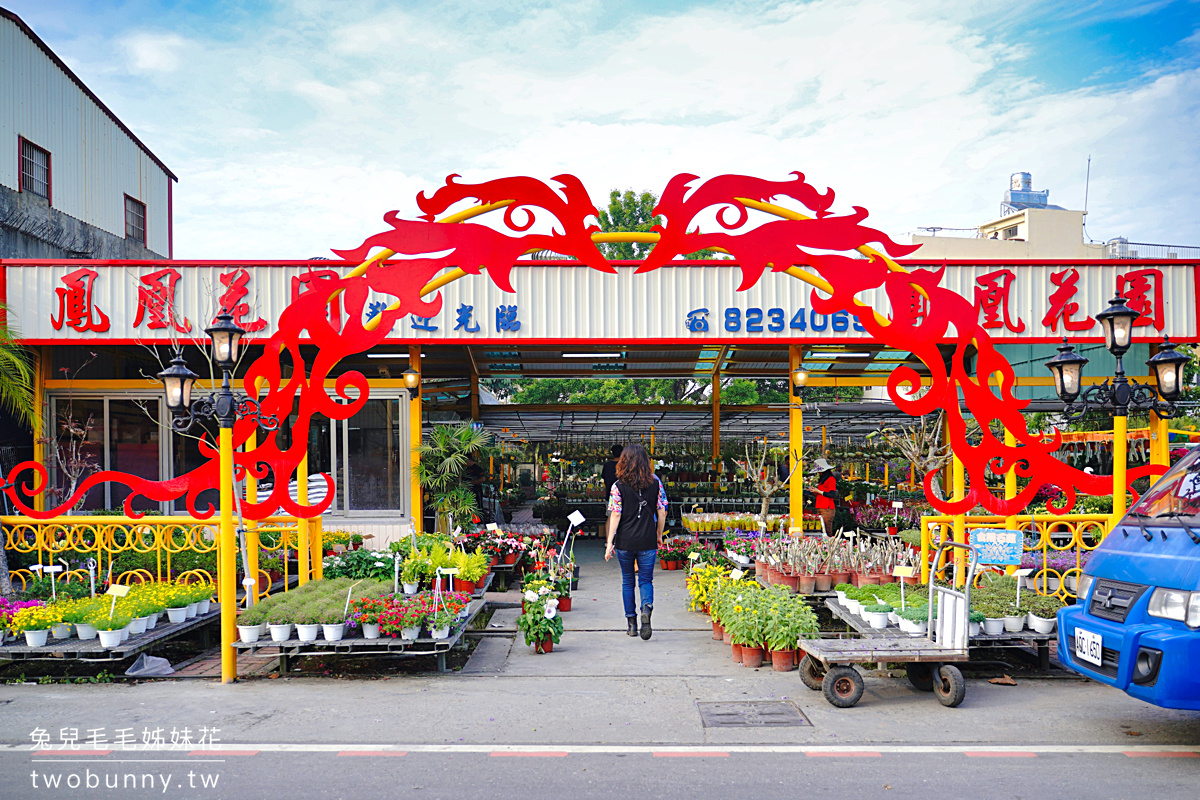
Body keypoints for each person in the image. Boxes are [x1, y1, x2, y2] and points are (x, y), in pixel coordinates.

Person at [604, 443, 667, 640]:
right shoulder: (656, 482)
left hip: (625, 541)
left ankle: (631, 624)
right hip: (648, 540)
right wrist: (659, 533)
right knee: (646, 580)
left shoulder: (617, 486)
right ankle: (646, 608)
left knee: (628, 581)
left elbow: (615, 515)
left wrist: (609, 543)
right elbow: (662, 510)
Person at [811, 457, 839, 535]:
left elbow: (832, 494)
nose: (819, 473)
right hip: (820, 507)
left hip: (827, 508)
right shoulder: (823, 479)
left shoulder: (831, 479)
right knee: (821, 530)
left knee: (827, 530)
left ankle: (829, 545)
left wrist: (818, 491)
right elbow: (822, 493)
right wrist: (814, 491)